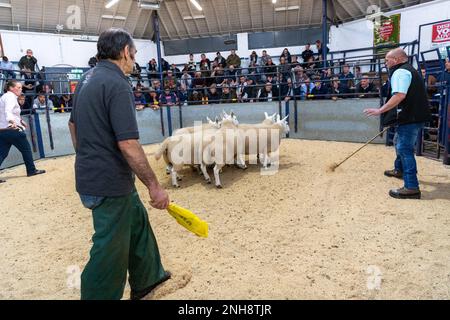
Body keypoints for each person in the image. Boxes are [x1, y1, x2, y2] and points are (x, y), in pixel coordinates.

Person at [68, 28, 171, 300]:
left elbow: (73, 126)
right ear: (125, 52)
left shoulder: (87, 79)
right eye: (134, 54)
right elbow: (128, 144)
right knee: (110, 248)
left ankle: (149, 278)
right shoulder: (118, 84)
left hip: (96, 176)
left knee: (137, 221)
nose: (134, 60)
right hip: (109, 183)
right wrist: (154, 186)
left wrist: (89, 156)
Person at [364, 48, 431, 199]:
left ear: (396, 59)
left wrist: (380, 110)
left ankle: (411, 187)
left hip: (410, 117)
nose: (386, 63)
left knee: (404, 148)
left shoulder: (400, 72)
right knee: (397, 141)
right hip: (416, 115)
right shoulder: (410, 70)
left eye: (387, 60)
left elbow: (400, 95)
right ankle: (399, 169)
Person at [0, 80, 46, 183]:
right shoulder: (11, 97)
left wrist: (20, 120)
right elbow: (8, 111)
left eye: (21, 87)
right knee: (26, 149)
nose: (21, 89)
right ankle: (31, 170)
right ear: (11, 88)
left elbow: (11, 113)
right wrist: (12, 121)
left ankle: (31, 170)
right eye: (18, 87)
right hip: (12, 129)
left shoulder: (5, 97)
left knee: (2, 153)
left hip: (3, 130)